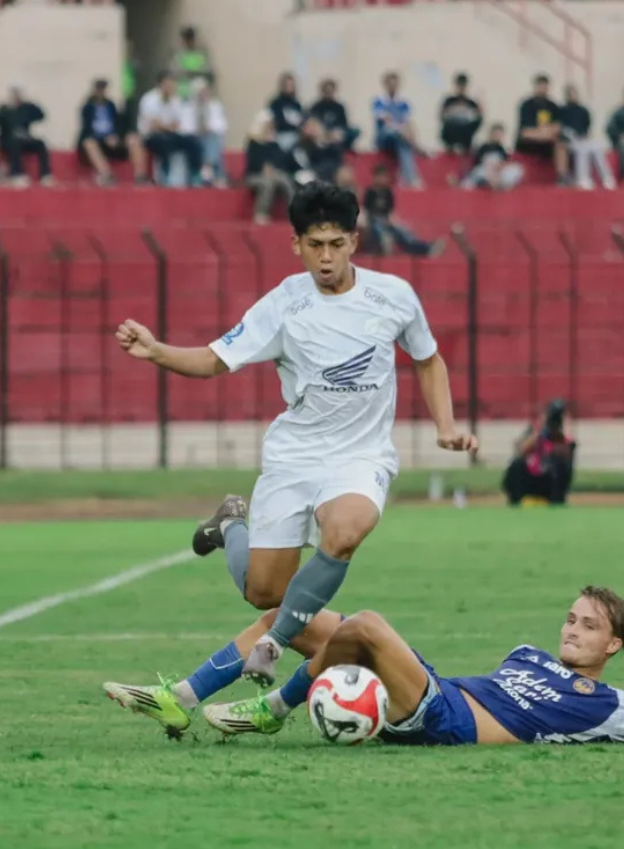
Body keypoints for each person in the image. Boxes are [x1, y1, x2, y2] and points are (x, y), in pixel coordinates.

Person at [111, 183, 478, 693]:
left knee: (346, 529)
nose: (325, 257)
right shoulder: (283, 304)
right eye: (314, 244)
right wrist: (157, 351)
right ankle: (232, 524)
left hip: (361, 454)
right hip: (296, 456)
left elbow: (427, 359)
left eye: (335, 243)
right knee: (263, 590)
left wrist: (446, 426)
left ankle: (271, 646)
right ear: (296, 245)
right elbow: (215, 359)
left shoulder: (393, 296)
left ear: (354, 240)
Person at [107, 586, 624, 746]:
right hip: (436, 693)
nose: (573, 629)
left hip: (449, 721)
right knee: (289, 616)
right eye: (572, 617)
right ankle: (181, 696)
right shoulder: (527, 654)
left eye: (589, 626)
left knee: (362, 622)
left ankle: (272, 710)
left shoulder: (609, 703)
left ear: (613, 644)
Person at [503, 398, 576, 506]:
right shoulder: (536, 431)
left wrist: (564, 428)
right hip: (531, 478)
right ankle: (515, 503)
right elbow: (521, 450)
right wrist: (539, 431)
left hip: (550, 480)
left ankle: (557, 504)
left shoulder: (564, 438)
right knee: (516, 465)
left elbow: (568, 451)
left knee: (561, 466)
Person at [77, 78, 148, 185]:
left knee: (133, 139)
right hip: (97, 141)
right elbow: (86, 130)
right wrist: (103, 138)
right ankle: (107, 174)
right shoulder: (87, 108)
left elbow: (118, 124)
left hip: (113, 141)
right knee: (89, 143)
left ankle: (140, 176)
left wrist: (116, 136)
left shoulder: (111, 106)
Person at [0, 85, 52, 186]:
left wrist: (28, 103)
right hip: (7, 140)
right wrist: (9, 109)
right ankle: (16, 174)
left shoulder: (26, 108)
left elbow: (41, 115)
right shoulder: (4, 108)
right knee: (15, 142)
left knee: (40, 143)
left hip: (24, 139)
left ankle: (45, 175)